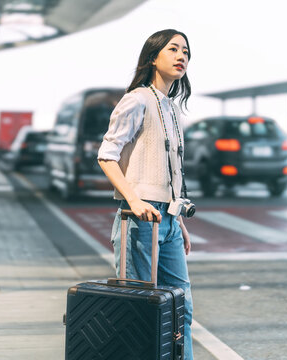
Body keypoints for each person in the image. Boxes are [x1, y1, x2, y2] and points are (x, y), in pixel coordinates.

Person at [97, 29, 194, 359]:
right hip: (139, 220)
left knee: (183, 312)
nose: (181, 55)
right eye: (173, 49)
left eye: (185, 51)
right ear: (153, 57)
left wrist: (178, 221)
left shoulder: (170, 107)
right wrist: (135, 200)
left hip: (168, 220)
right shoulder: (137, 99)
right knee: (140, 316)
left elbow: (169, 172)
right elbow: (106, 155)